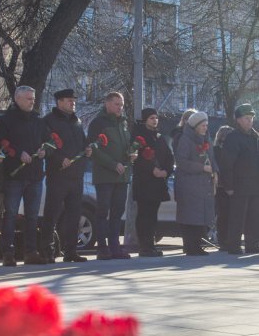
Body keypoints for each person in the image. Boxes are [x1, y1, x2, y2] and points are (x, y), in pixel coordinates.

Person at [0, 85, 50, 266]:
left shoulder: (38, 120)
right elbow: (1, 143)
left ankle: (31, 252)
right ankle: (7, 253)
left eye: (33, 99)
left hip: (35, 174)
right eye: (28, 99)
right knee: (11, 214)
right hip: (14, 175)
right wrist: (18, 153)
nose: (32, 102)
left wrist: (44, 151)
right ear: (17, 99)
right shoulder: (5, 120)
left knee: (32, 216)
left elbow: (48, 142)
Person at [41, 88, 91, 262]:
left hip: (76, 176)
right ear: (59, 102)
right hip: (58, 174)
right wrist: (59, 159)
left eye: (74, 100)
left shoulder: (76, 121)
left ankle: (71, 251)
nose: (73, 103)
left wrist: (87, 150)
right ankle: (47, 251)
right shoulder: (49, 120)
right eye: (69, 100)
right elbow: (46, 146)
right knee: (52, 213)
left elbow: (83, 143)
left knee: (74, 215)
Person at [86, 91, 135, 260]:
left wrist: (131, 155)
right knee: (103, 211)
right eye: (116, 104)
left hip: (122, 176)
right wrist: (113, 164)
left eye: (121, 105)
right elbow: (93, 150)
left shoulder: (123, 123)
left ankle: (115, 247)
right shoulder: (98, 123)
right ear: (107, 103)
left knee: (117, 212)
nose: (120, 108)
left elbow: (125, 146)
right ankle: (102, 248)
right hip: (105, 176)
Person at [219, 104, 259, 255]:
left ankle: (252, 244)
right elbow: (227, 164)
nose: (250, 121)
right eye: (246, 118)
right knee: (237, 217)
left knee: (254, 217)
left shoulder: (257, 137)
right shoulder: (233, 138)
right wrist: (228, 185)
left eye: (251, 118)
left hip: (255, 184)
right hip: (239, 185)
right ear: (239, 120)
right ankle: (233, 245)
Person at [131, 107, 174, 257]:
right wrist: (152, 169)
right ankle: (144, 246)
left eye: (156, 118)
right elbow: (137, 158)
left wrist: (166, 171)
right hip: (144, 182)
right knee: (144, 214)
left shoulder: (159, 136)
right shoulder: (138, 136)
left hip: (158, 183)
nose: (155, 120)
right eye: (151, 118)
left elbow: (169, 156)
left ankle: (151, 245)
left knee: (153, 215)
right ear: (145, 120)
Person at [174, 111, 216, 256]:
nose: (205, 128)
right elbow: (182, 162)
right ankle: (190, 246)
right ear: (196, 126)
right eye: (203, 125)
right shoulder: (185, 140)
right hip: (189, 184)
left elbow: (212, 158)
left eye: (206, 125)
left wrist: (215, 171)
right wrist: (202, 167)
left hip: (204, 184)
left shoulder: (206, 139)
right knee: (190, 216)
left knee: (201, 216)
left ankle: (197, 245)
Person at [212, 125, 234, 249]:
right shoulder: (216, 150)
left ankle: (229, 239)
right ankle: (223, 240)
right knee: (223, 214)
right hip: (221, 186)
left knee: (230, 215)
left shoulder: (232, 150)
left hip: (231, 185)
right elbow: (221, 168)